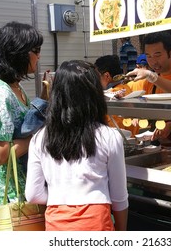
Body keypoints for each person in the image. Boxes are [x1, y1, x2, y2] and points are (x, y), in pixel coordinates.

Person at [25, 60, 128, 231]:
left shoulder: (39, 138)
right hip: (97, 223)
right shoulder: (110, 136)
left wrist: (61, 195)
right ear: (95, 94)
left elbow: (33, 194)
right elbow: (119, 197)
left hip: (56, 222)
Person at [0, 21, 43, 226]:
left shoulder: (15, 87)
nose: (39, 56)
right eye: (36, 50)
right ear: (19, 53)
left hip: (20, 194)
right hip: (5, 199)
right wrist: (39, 138)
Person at [126, 31, 171, 146]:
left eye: (157, 55)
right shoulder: (146, 82)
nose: (153, 61)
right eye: (148, 56)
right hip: (157, 146)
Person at [95, 55, 139, 136]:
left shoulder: (113, 95)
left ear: (107, 76)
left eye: (96, 76)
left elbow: (112, 130)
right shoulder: (126, 87)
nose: (95, 80)